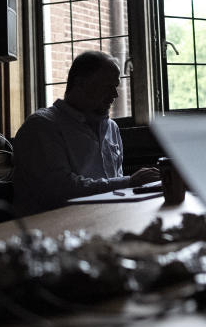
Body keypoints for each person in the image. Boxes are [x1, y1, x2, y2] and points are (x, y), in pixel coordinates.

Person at [13, 51, 159, 216]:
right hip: (52, 230)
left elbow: (115, 184)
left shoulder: (111, 128)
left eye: (116, 86)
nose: (115, 95)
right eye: (107, 86)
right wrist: (129, 182)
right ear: (80, 83)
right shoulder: (41, 126)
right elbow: (60, 192)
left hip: (105, 221)